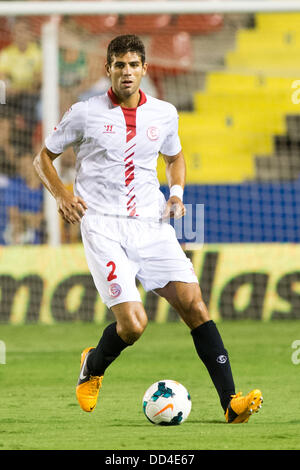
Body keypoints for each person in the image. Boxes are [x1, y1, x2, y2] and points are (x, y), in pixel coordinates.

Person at [33, 34, 263, 423]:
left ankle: (231, 402)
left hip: (152, 224)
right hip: (103, 226)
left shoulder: (164, 113)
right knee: (134, 325)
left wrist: (175, 193)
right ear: (107, 69)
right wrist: (61, 195)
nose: (127, 72)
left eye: (133, 65)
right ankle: (93, 366)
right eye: (119, 65)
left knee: (194, 304)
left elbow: (175, 156)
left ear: (144, 69)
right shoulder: (84, 113)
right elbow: (43, 159)